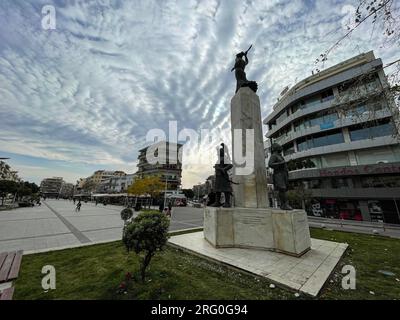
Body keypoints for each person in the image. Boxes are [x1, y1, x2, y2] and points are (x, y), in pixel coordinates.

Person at [268, 143, 293, 211]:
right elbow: (270, 164)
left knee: (284, 189)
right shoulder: (274, 156)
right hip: (278, 174)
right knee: (282, 188)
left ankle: (284, 204)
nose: (281, 148)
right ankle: (284, 204)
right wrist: (280, 163)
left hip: (283, 174)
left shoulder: (280, 156)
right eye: (279, 147)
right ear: (276, 148)